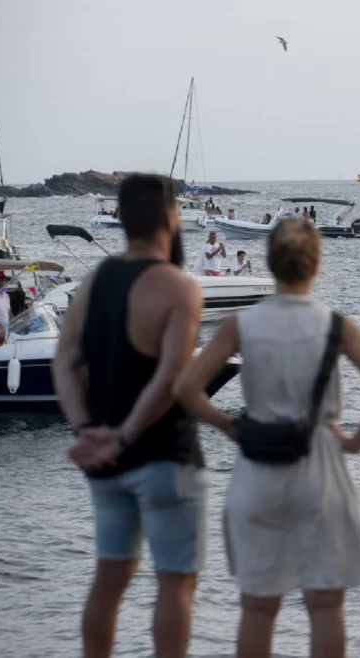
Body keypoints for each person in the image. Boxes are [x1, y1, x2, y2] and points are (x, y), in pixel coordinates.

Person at [173, 218, 360, 658]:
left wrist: (229, 426)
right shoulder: (337, 327)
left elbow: (185, 389)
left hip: (259, 466)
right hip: (320, 468)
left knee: (259, 608)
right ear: (317, 264)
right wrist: (354, 442)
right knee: (324, 605)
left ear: (270, 263)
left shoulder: (242, 325)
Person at [53, 174, 205, 658]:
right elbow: (170, 380)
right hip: (164, 459)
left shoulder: (96, 279)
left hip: (105, 466)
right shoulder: (180, 289)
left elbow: (65, 361)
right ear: (171, 217)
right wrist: (124, 435)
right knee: (174, 585)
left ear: (120, 219)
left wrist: (87, 430)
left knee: (109, 580)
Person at [0, 271, 10, 348]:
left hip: (6, 333)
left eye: (3, 280)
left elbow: (8, 312)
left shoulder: (6, 296)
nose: (1, 283)